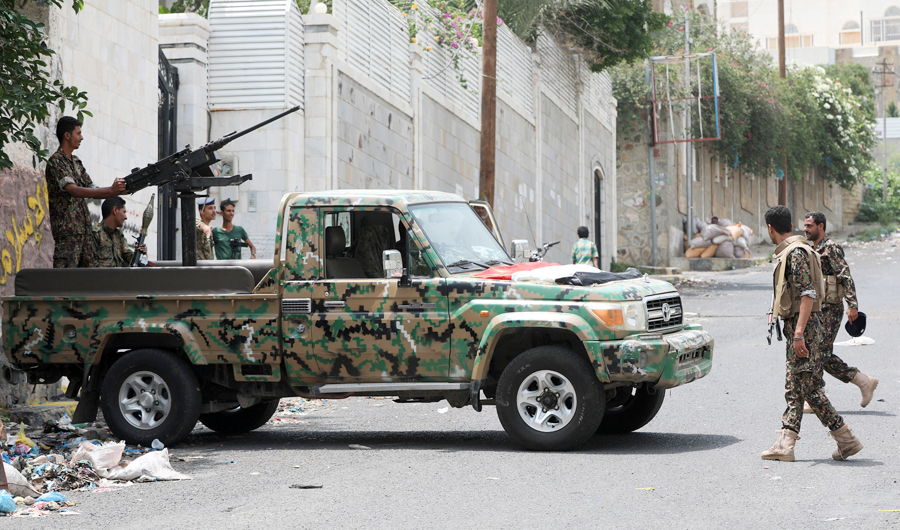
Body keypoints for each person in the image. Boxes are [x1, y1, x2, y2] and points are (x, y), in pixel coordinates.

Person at [761, 206, 862, 462]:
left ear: (770, 228)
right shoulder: (798, 249)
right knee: (796, 388)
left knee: (810, 389)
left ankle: (846, 439)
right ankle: (786, 444)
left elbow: (807, 293)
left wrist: (798, 334)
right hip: (805, 329)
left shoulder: (795, 253)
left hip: (805, 330)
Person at [803, 212, 878, 410]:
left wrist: (852, 305)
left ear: (820, 226)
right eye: (805, 225)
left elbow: (845, 276)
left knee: (818, 352)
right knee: (819, 352)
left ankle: (815, 396)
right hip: (817, 309)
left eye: (810, 225)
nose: (806, 229)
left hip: (831, 309)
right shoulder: (813, 249)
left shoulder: (831, 247)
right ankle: (863, 381)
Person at [46, 116, 126, 268]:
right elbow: (74, 191)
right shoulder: (56, 162)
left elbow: (93, 189)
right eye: (78, 133)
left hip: (85, 232)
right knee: (65, 282)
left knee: (90, 279)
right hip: (68, 233)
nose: (81, 138)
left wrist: (120, 190)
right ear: (67, 135)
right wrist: (111, 190)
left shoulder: (76, 162)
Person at [92, 197, 146, 267]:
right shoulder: (95, 233)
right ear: (115, 210)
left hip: (118, 276)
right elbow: (89, 264)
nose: (126, 217)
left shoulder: (118, 234)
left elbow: (127, 255)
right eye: (124, 212)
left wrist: (138, 252)